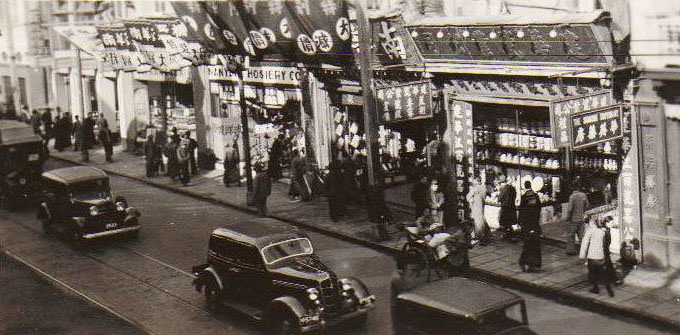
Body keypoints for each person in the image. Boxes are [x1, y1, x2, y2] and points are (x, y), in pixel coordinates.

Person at [580, 217, 615, 297]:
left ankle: (595, 288)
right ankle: (609, 290)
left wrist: (582, 255)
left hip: (592, 256)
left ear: (592, 224)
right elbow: (605, 244)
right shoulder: (602, 232)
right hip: (600, 255)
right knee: (602, 272)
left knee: (592, 272)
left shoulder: (590, 231)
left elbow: (585, 243)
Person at [518, 180, 542, 273]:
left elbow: (521, 211)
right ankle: (531, 263)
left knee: (528, 245)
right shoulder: (536, 196)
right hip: (533, 226)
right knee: (533, 245)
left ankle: (526, 263)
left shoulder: (524, 197)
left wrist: (520, 222)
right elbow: (538, 210)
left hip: (528, 226)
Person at [566, 181, 591, 255]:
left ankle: (571, 251)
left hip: (573, 219)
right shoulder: (583, 195)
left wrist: (568, 217)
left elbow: (570, 209)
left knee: (571, 235)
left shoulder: (572, 196)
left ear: (572, 187)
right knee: (582, 236)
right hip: (582, 218)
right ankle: (584, 250)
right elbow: (587, 206)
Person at [466, 177, 489, 244]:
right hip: (481, 207)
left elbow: (467, 197)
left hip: (476, 207)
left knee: (477, 222)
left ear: (476, 182)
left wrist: (471, 200)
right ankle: (483, 236)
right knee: (481, 221)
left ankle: (481, 238)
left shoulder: (475, 188)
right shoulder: (484, 188)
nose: (473, 183)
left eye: (474, 181)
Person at [498, 176, 518, 241]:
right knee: (509, 222)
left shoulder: (503, 189)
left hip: (505, 208)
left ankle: (511, 235)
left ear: (502, 183)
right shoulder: (512, 188)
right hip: (512, 207)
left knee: (506, 222)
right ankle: (508, 235)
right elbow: (515, 196)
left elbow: (499, 199)